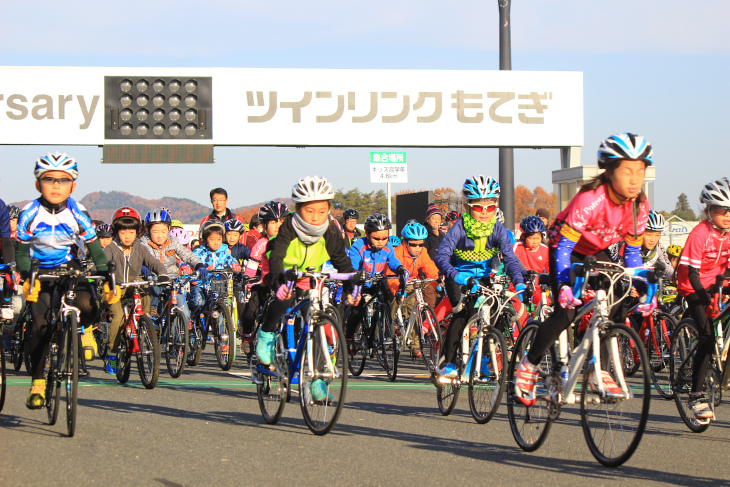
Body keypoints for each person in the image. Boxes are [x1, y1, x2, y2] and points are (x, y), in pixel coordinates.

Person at [513, 133, 655, 407]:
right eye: (627, 170)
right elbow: (565, 248)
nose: (635, 178)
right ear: (610, 171)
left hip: (597, 250)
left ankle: (596, 366)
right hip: (566, 248)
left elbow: (633, 254)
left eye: (640, 170)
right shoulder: (591, 198)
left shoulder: (639, 205)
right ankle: (528, 365)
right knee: (565, 311)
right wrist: (566, 285)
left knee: (614, 299)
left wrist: (641, 282)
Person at [15, 153, 110, 408]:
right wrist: (27, 277)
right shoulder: (29, 212)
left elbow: (95, 249)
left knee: (90, 306)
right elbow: (21, 251)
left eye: (63, 180)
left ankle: (79, 330)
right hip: (39, 270)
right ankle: (37, 382)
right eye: (49, 179)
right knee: (40, 326)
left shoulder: (78, 211)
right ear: (38, 184)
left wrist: (108, 277)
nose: (56, 185)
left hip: (70, 267)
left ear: (73, 186)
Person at [262, 176, 357, 403]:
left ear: (328, 210)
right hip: (286, 272)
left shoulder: (331, 231)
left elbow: (342, 261)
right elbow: (276, 256)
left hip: (312, 277)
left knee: (317, 323)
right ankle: (265, 336)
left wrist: (352, 286)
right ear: (297, 209)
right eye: (309, 211)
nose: (316, 218)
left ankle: (316, 381)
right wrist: (278, 282)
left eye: (322, 211)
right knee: (284, 301)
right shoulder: (288, 227)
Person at [434, 175, 526, 378]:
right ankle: (448, 364)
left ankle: (482, 358)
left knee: (497, 313)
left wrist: (519, 282)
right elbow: (441, 257)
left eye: (490, 207)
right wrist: (457, 277)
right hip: (458, 276)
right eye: (478, 207)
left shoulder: (498, 229)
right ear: (467, 206)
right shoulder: (458, 228)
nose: (484, 212)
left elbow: (510, 259)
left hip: (484, 277)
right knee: (462, 312)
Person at [675, 178, 730, 420]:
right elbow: (693, 273)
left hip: (719, 283)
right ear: (708, 210)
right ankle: (695, 395)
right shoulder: (700, 233)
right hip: (694, 286)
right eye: (723, 210)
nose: (728, 215)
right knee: (707, 336)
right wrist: (707, 301)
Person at [103, 207, 170, 374]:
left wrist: (162, 274)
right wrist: (103, 274)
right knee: (118, 316)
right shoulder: (111, 248)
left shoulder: (140, 248)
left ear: (137, 232)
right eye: (123, 232)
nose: (127, 236)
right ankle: (111, 353)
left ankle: (144, 323)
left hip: (133, 284)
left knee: (145, 286)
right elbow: (101, 264)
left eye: (131, 232)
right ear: (116, 231)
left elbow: (154, 263)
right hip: (114, 286)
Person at [346, 213, 408, 342]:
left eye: (384, 238)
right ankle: (349, 335)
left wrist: (399, 268)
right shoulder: (358, 246)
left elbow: (392, 261)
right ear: (367, 235)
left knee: (387, 299)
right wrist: (358, 273)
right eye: (376, 238)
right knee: (357, 309)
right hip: (360, 282)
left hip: (377, 281)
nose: (381, 242)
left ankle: (381, 327)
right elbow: (352, 266)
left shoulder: (388, 246)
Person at [140, 208, 209, 323]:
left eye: (163, 231)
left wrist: (199, 265)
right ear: (148, 230)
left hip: (172, 282)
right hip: (153, 281)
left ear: (169, 229)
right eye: (155, 232)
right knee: (149, 310)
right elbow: (138, 258)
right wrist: (142, 267)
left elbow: (186, 254)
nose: (160, 235)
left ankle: (181, 339)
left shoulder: (173, 241)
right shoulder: (143, 243)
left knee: (185, 314)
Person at [240, 200, 288, 354]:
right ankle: (247, 336)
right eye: (273, 222)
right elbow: (251, 268)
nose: (278, 225)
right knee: (249, 314)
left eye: (282, 221)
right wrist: (247, 285)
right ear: (264, 225)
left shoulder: (291, 242)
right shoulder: (261, 243)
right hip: (263, 283)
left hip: (285, 284)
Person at [386, 222, 438, 357]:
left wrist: (437, 283)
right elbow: (391, 275)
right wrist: (397, 290)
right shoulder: (397, 252)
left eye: (421, 244)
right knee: (395, 304)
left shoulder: (423, 253)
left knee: (414, 311)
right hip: (396, 281)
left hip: (412, 280)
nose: (418, 248)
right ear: (405, 242)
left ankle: (416, 345)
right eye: (414, 244)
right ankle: (389, 325)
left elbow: (430, 269)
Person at [189, 220, 241, 322]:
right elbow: (189, 260)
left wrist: (235, 264)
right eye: (212, 239)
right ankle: (192, 321)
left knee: (221, 304)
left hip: (217, 283)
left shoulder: (224, 251)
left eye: (219, 239)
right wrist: (187, 267)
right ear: (205, 239)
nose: (216, 242)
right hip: (200, 283)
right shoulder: (199, 251)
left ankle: (220, 329)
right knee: (198, 302)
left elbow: (230, 259)